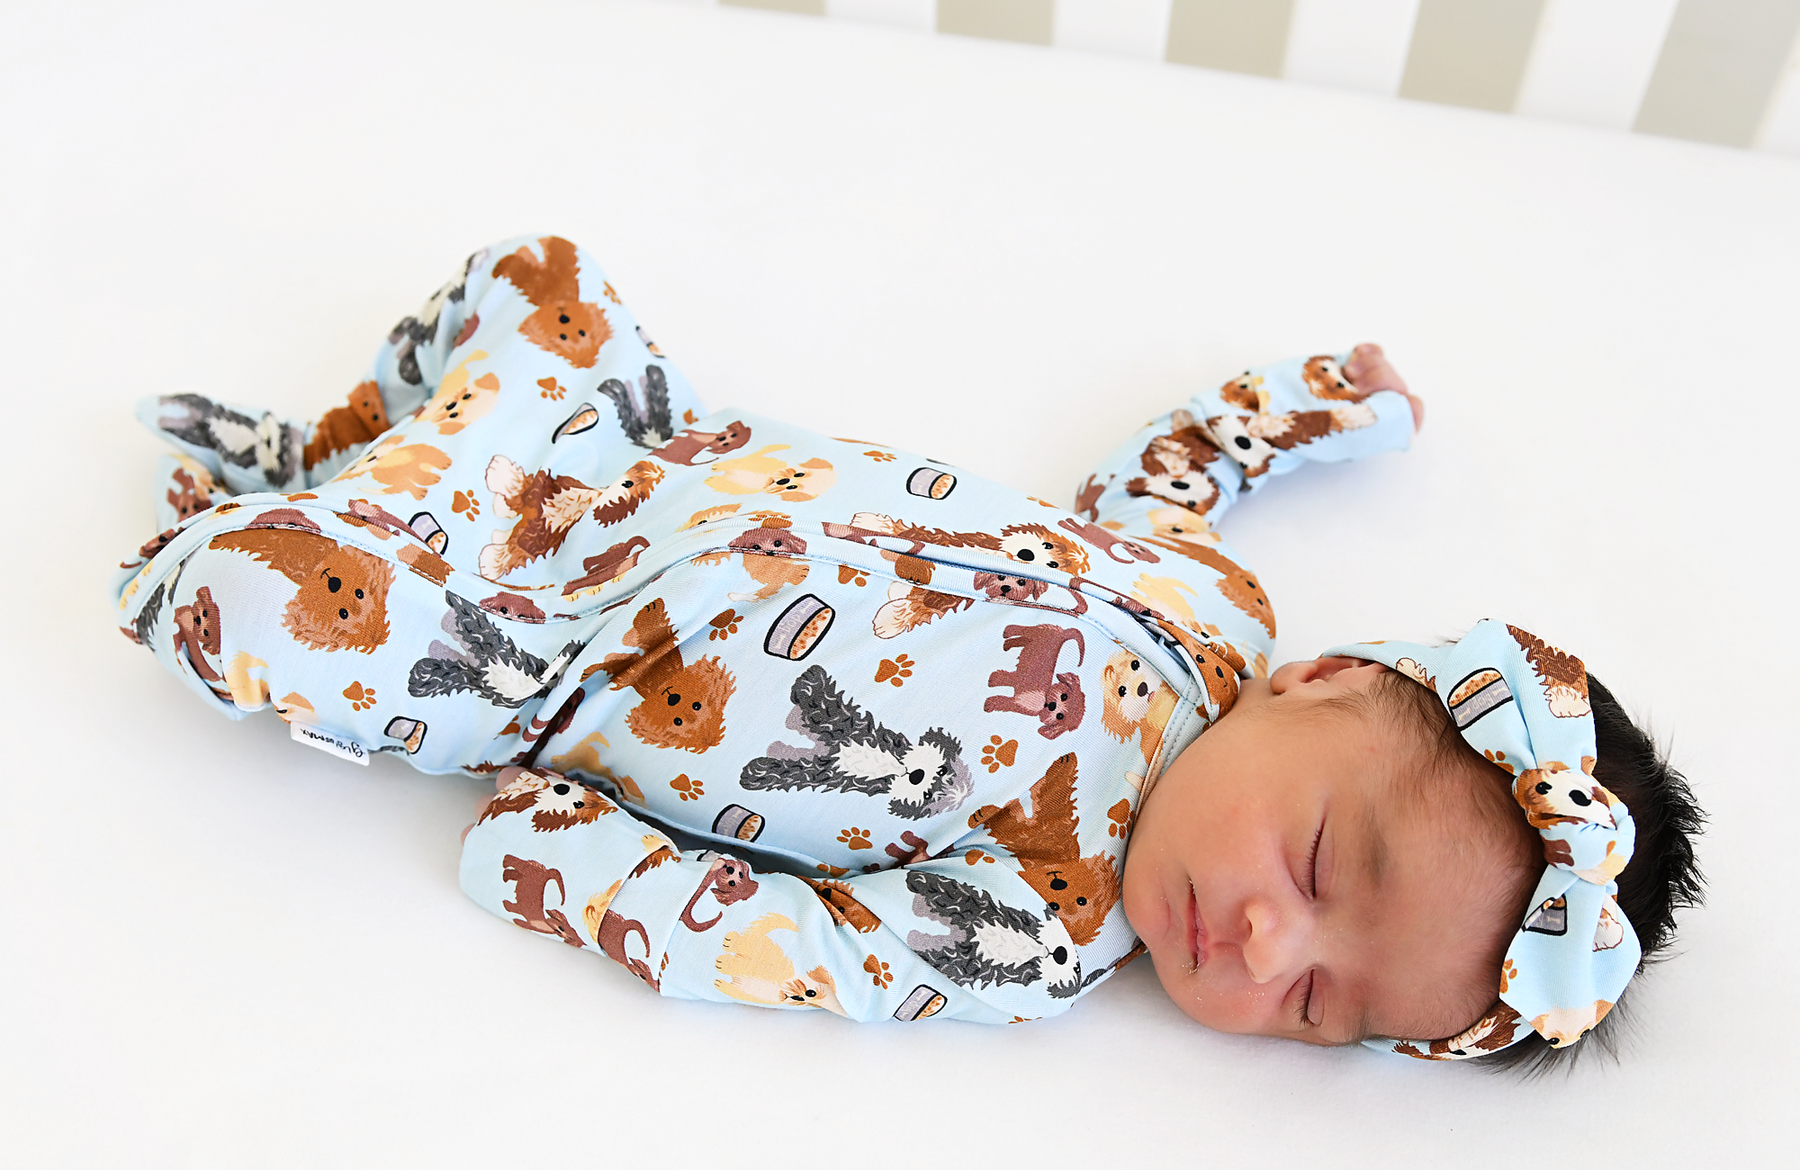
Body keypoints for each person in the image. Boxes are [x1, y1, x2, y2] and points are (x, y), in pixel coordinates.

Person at [113, 236, 1702, 1065]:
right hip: (641, 452)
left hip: (525, 649)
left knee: (252, 612)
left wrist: (568, 858)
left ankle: (273, 516)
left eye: (1318, 1011)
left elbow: (789, 945)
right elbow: (1158, 485)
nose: (1263, 946)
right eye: (1317, 866)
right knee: (543, 275)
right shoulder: (1218, 606)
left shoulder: (1039, 928)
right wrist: (1292, 411)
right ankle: (352, 445)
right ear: (1325, 681)